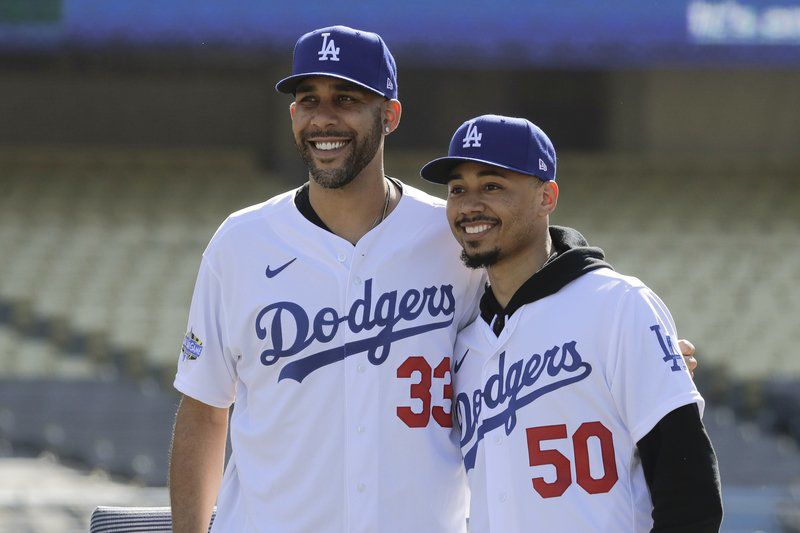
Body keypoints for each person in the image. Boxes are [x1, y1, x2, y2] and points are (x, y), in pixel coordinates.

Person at [168, 26, 698, 533]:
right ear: (292, 113)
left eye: (347, 100)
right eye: (309, 99)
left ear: (390, 114)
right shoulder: (240, 243)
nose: (323, 118)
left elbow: (540, 302)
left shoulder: (453, 236)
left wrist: (639, 353)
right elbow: (205, 410)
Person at [420, 114, 723, 532]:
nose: (470, 204)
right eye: (458, 189)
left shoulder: (618, 306)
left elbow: (690, 493)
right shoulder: (462, 340)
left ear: (546, 197)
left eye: (492, 186)